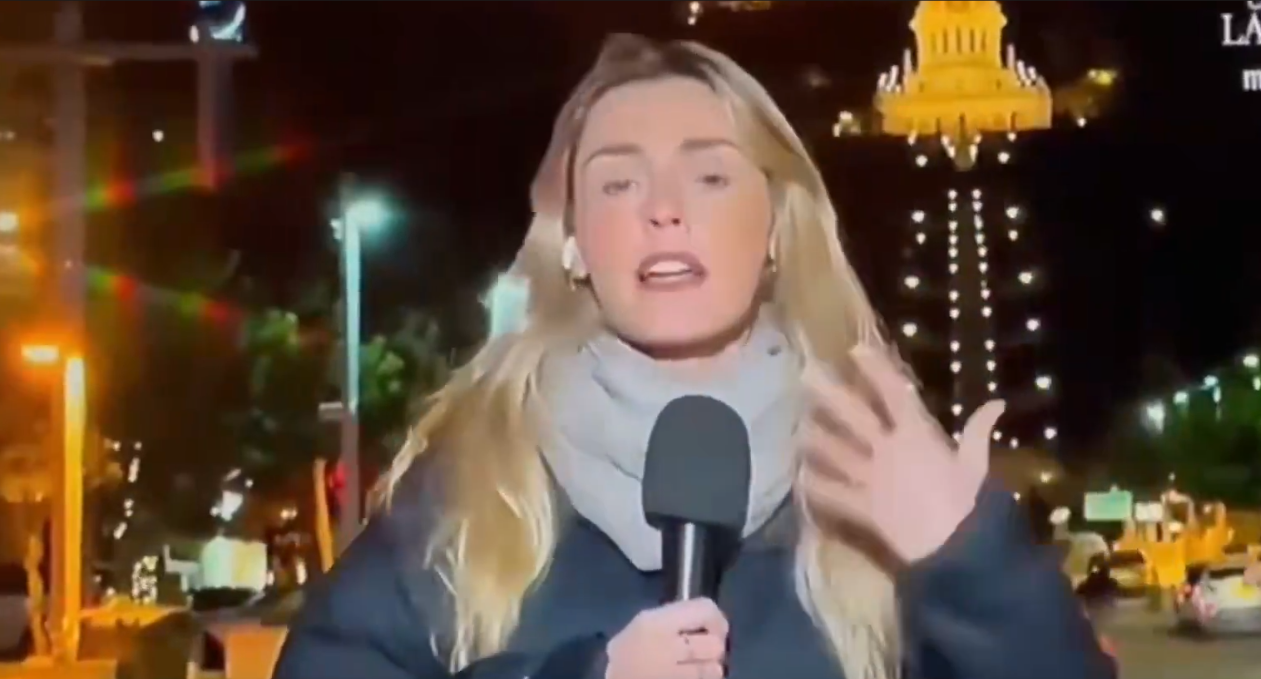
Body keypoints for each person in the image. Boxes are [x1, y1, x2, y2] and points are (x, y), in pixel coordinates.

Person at [273, 34, 1116, 679]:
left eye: (710, 177)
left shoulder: (879, 492)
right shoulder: (468, 497)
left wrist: (971, 560)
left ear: (776, 227)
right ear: (573, 244)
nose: (663, 209)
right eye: (617, 182)